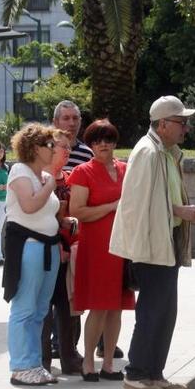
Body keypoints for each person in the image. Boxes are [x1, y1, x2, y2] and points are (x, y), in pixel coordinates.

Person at [109, 95, 195, 389]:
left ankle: (154, 373)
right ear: (163, 124)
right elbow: (137, 206)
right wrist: (179, 211)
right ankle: (136, 373)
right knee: (152, 311)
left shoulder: (166, 151)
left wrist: (179, 212)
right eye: (181, 122)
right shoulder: (148, 152)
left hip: (165, 241)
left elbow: (160, 199)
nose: (185, 128)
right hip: (151, 246)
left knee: (165, 312)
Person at [53, 100, 123, 361]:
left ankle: (101, 348)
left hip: (99, 239)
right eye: (66, 118)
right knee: (70, 299)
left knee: (104, 301)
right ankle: (66, 347)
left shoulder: (85, 151)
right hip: (69, 235)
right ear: (56, 122)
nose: (71, 123)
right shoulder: (51, 149)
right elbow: (76, 205)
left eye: (75, 118)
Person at [2, 123, 66, 386]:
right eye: (50, 145)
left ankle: (34, 363)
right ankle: (21, 366)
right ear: (35, 148)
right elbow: (29, 206)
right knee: (25, 308)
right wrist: (50, 184)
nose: (54, 150)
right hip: (29, 247)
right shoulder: (20, 171)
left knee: (40, 310)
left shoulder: (41, 176)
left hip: (48, 247)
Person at [68, 119, 131, 382]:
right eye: (96, 140)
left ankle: (108, 364)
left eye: (108, 139)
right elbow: (76, 211)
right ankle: (88, 363)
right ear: (90, 145)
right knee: (98, 306)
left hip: (122, 245)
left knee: (116, 307)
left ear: (115, 142)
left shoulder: (126, 168)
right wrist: (111, 207)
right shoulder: (83, 171)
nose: (103, 144)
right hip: (96, 248)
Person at [40, 129, 83, 375]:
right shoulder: (40, 178)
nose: (68, 152)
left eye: (69, 148)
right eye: (62, 148)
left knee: (68, 307)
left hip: (69, 252)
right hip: (48, 251)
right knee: (44, 308)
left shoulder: (68, 178)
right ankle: (44, 359)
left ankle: (69, 355)